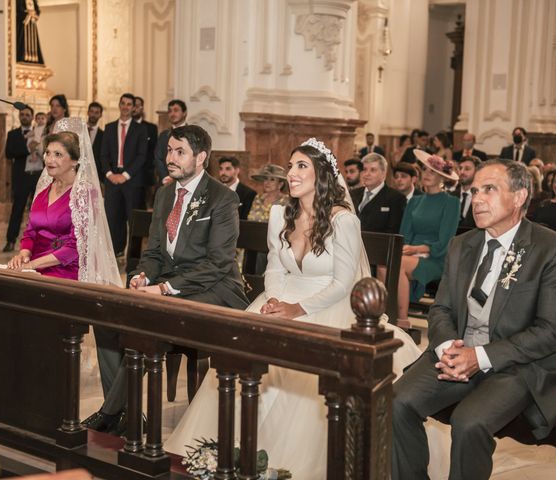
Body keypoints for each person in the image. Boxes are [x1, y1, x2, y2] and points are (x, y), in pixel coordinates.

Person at [163, 138, 443, 478]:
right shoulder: (280, 214)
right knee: (240, 362)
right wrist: (276, 301)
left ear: (321, 175)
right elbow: (275, 269)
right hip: (278, 303)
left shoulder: (343, 221)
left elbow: (343, 284)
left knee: (306, 386)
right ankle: (232, 454)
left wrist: (298, 309)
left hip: (328, 306)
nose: (291, 174)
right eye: (291, 166)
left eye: (301, 167)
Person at [392, 159, 556, 480]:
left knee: (469, 422)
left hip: (519, 366)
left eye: (489, 190)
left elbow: (549, 333)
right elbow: (441, 310)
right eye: (474, 190)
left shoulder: (552, 250)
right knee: (396, 402)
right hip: (457, 353)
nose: (477, 199)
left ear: (519, 197)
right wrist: (449, 347)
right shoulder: (461, 245)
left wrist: (479, 357)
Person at [83, 125, 249, 435]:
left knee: (152, 319)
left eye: (179, 152)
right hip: (172, 287)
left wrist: (163, 288)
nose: (170, 157)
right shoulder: (164, 193)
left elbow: (219, 263)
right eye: (169, 150)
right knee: (106, 317)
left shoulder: (222, 199)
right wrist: (143, 276)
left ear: (201, 157)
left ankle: (111, 413)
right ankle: (128, 413)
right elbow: (156, 251)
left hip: (217, 290)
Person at [6, 118, 121, 287]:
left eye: (58, 154)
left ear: (75, 161)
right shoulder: (43, 190)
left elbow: (76, 247)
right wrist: (23, 255)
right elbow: (30, 232)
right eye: (48, 153)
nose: (49, 160)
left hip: (66, 271)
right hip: (35, 267)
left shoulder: (85, 193)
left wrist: (31, 266)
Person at [397, 151, 460, 325]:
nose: (426, 174)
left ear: (442, 177)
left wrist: (416, 249)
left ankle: (402, 321)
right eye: (424, 170)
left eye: (432, 171)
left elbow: (446, 241)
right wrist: (407, 248)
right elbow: (405, 234)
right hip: (409, 253)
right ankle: (387, 315)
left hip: (435, 258)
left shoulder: (451, 202)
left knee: (398, 264)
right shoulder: (415, 201)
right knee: (385, 264)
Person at [101, 93, 148, 256]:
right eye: (123, 103)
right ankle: (115, 254)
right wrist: (109, 174)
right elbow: (103, 155)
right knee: (112, 220)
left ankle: (132, 261)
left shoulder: (141, 129)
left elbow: (142, 156)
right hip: (112, 180)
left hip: (132, 180)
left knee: (133, 221)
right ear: (119, 105)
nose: (126, 107)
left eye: (130, 104)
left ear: (133, 108)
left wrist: (125, 175)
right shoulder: (109, 127)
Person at [3, 107, 42, 252]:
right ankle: (10, 241)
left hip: (38, 175)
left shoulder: (39, 132)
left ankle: (38, 243)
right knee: (17, 209)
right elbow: (8, 153)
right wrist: (27, 150)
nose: (24, 116)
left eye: (27, 114)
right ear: (19, 116)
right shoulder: (13, 134)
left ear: (32, 117)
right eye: (22, 114)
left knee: (38, 212)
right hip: (22, 177)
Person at [246, 164, 289, 273]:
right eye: (265, 179)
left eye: (272, 179)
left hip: (275, 248)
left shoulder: (286, 201)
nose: (267, 182)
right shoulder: (257, 198)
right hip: (252, 245)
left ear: (280, 184)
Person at [351, 152, 405, 234]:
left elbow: (393, 232)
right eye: (365, 169)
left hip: (378, 245)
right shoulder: (352, 194)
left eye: (373, 170)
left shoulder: (395, 198)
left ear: (383, 173)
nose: (367, 174)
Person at [132, 96, 159, 205]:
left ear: (142, 108)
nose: (135, 108)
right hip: (124, 177)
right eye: (133, 105)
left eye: (137, 106)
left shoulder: (151, 128)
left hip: (144, 177)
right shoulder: (122, 127)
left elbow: (153, 152)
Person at [154, 99, 187, 186]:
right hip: (165, 183)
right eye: (170, 111)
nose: (172, 114)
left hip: (186, 182)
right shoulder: (164, 135)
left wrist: (178, 177)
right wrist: (166, 178)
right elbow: (158, 158)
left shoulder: (193, 134)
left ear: (184, 113)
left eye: (176, 110)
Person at [452, 155, 482, 229]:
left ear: (477, 172)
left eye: (467, 169)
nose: (462, 172)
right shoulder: (451, 196)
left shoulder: (482, 197)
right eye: (460, 168)